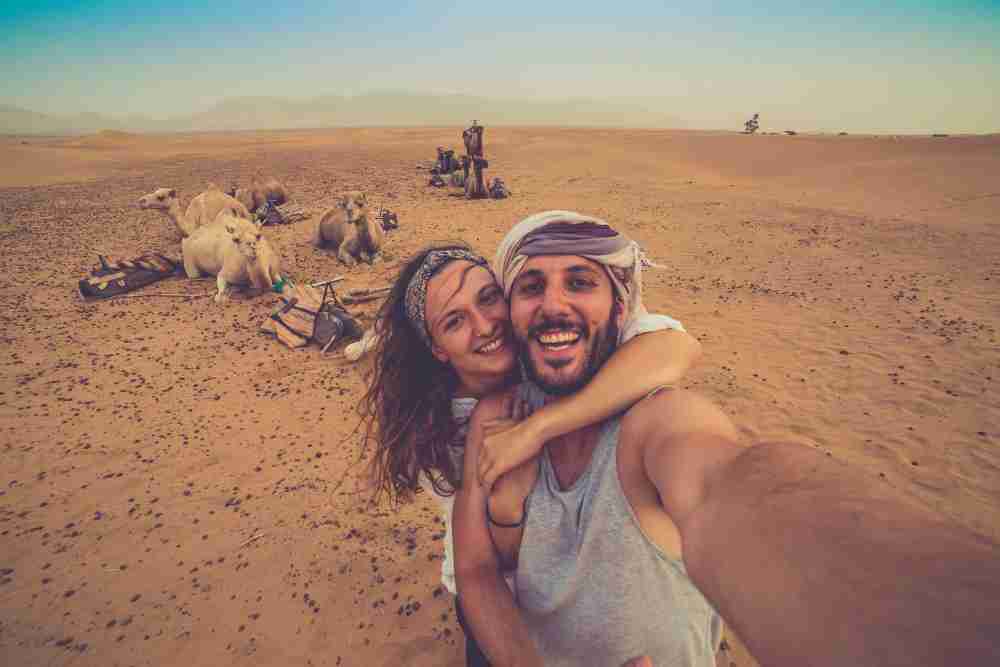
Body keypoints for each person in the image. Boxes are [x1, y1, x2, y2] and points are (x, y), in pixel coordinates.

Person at [454, 213, 1000, 666]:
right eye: (531, 287)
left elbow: (733, 485)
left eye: (579, 282)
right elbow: (475, 571)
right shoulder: (500, 417)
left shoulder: (655, 420)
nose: (552, 305)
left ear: (621, 309)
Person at [357, 236, 703, 665]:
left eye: (488, 298)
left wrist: (536, 430)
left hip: (569, 584)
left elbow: (674, 347)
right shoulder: (440, 433)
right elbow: (484, 563)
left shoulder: (547, 347)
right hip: (501, 591)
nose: (485, 325)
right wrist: (508, 502)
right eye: (455, 322)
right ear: (437, 349)